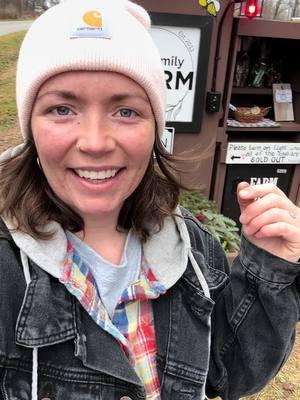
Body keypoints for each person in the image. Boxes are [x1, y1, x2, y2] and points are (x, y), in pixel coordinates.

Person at [0, 1, 299, 399]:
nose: (94, 142)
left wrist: (268, 266)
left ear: (155, 127)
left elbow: (228, 375)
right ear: (30, 126)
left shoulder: (193, 251)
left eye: (125, 110)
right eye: (62, 108)